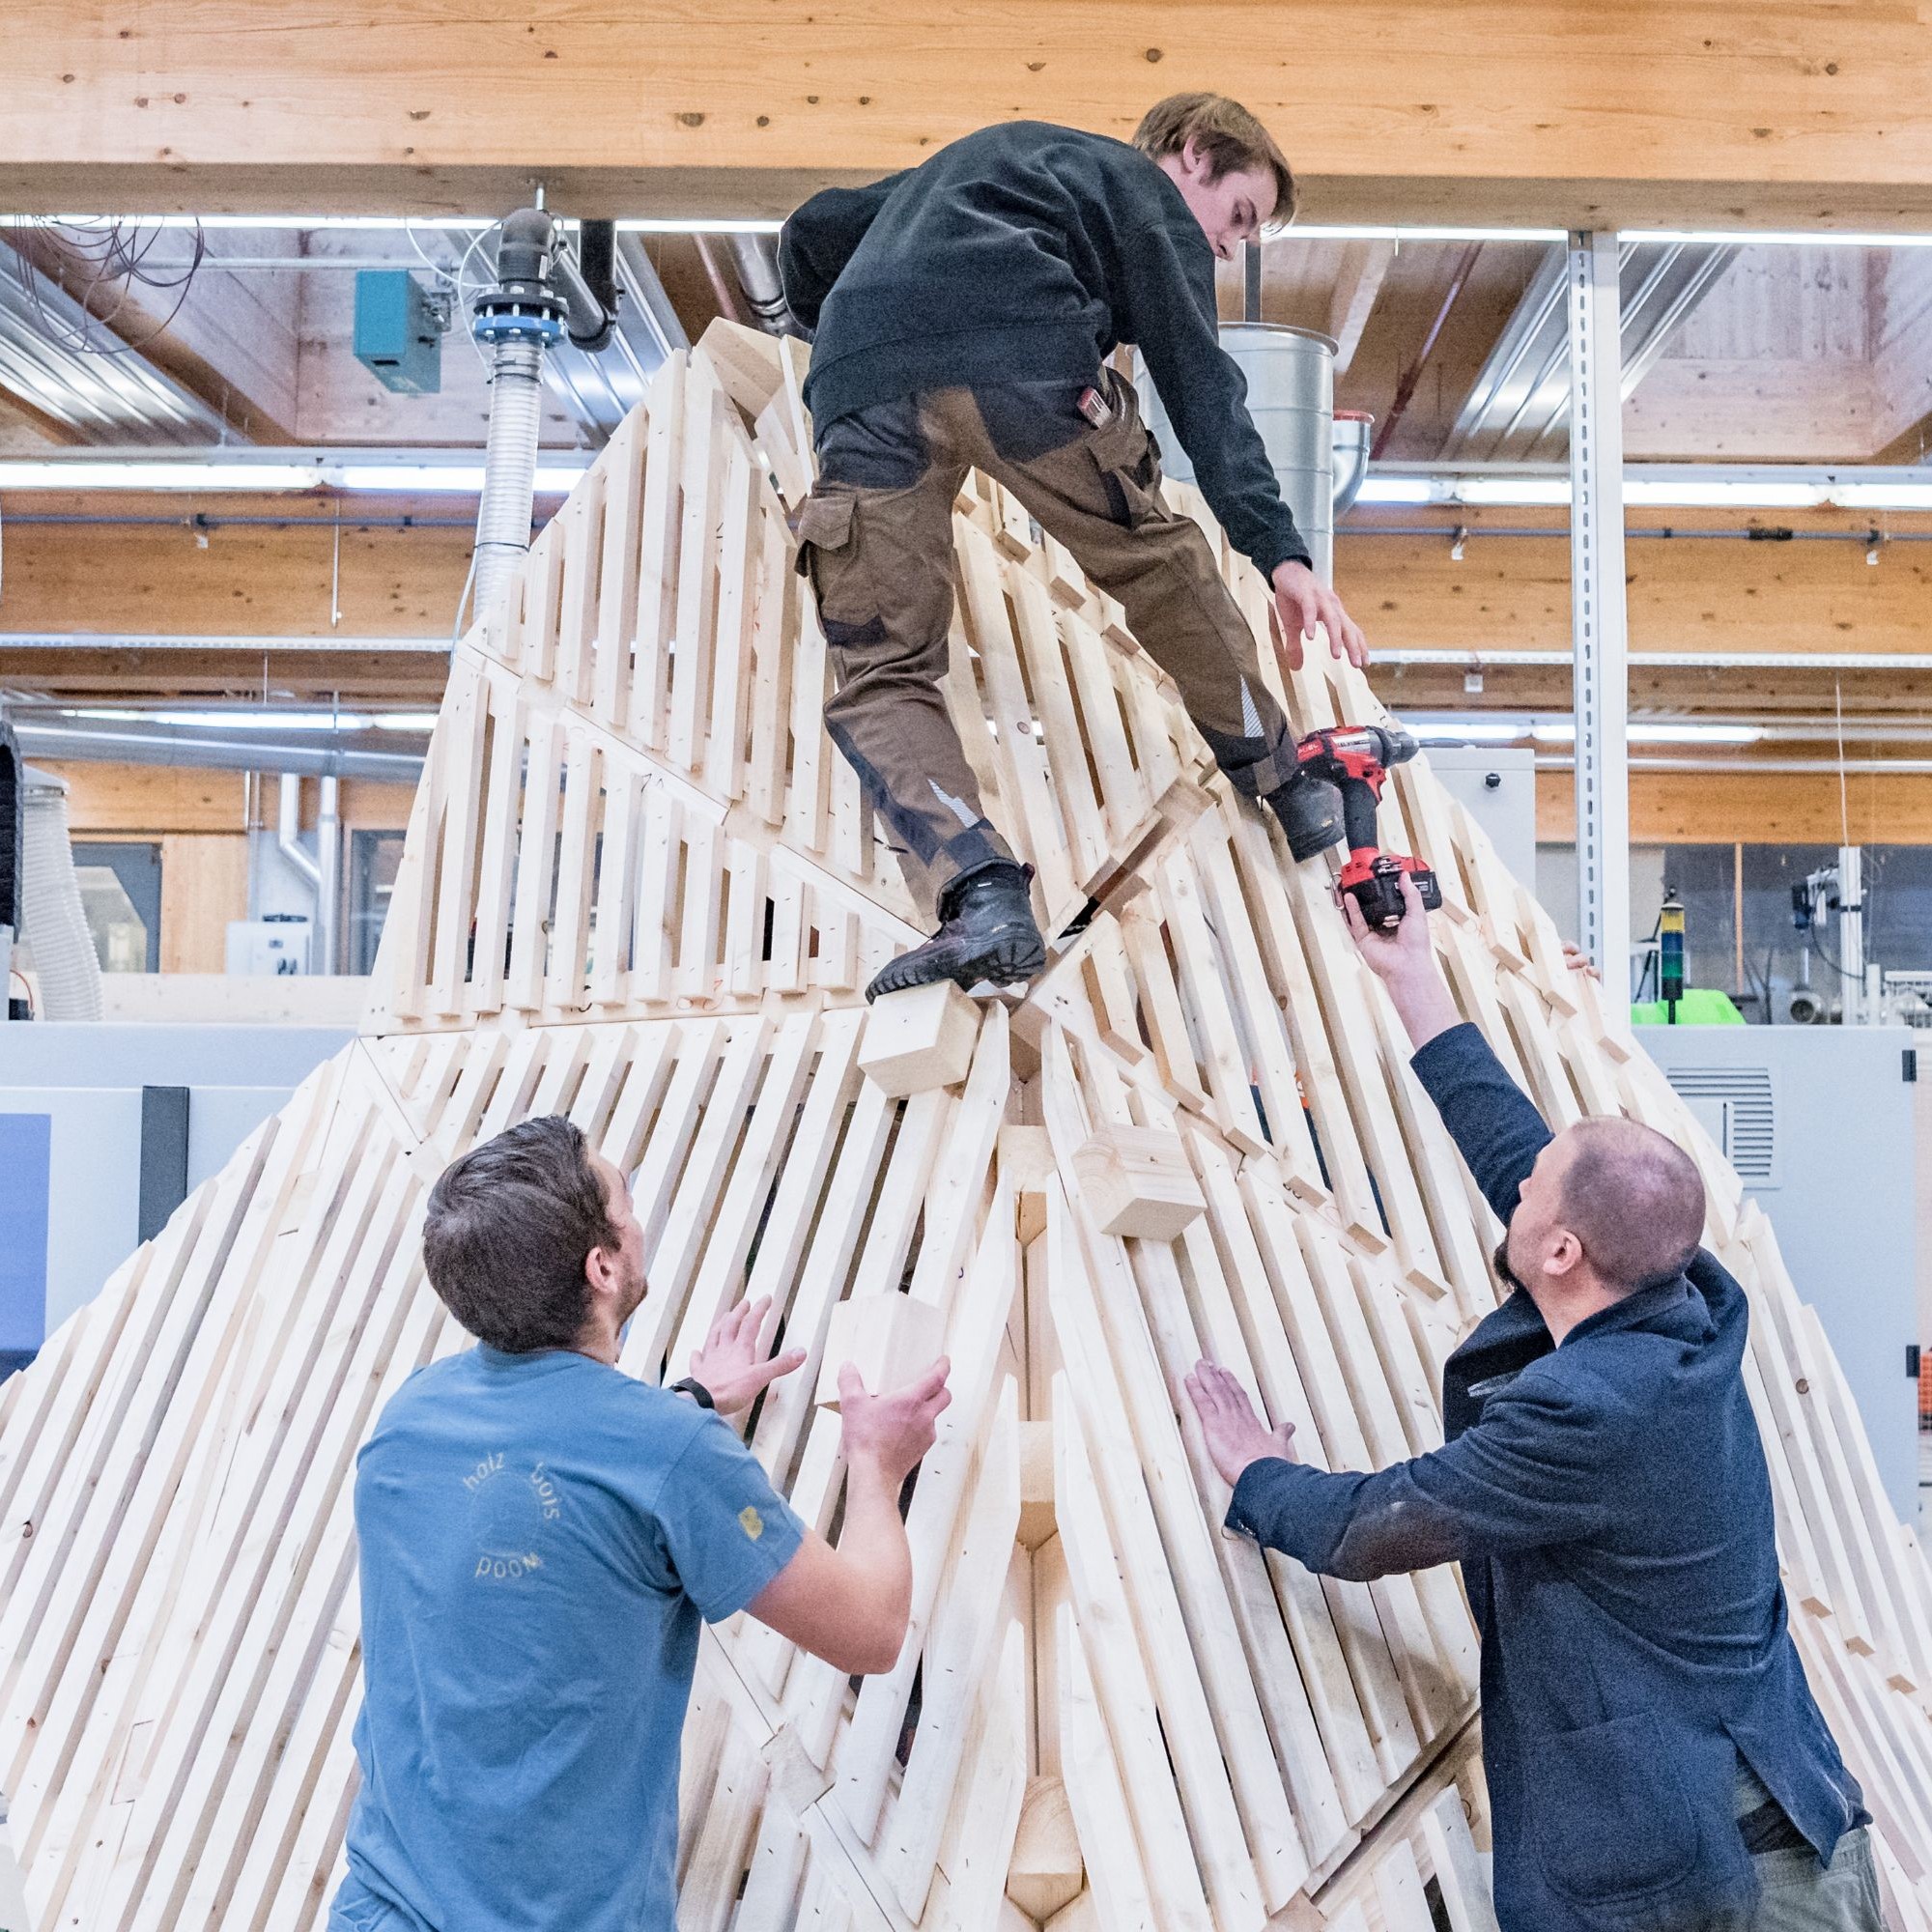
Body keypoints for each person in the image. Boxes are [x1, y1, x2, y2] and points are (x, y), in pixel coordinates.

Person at [1185, 876, 1880, 1932]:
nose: (1514, 1189)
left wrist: (1253, 1472)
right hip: (1772, 1798)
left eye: (1529, 1200)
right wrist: (1412, 978)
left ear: (1559, 1251)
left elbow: (1381, 1523)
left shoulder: (1590, 1410)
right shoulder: (1675, 1293)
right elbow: (1528, 1156)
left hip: (1722, 1862)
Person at [779, 93, 1369, 1002]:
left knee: (881, 668)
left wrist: (845, 332)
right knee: (1157, 564)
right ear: (1192, 151)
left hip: (859, 387)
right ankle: (1285, 779)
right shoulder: (1138, 189)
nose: (1227, 244)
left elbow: (814, 227)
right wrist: (1281, 554)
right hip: (1023, 358)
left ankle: (980, 897)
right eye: (1238, 215)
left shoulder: (979, 164)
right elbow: (1201, 385)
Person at [327, 1116, 951, 1932]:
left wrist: (687, 1403)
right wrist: (876, 1469)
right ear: (603, 1264)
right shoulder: (669, 1458)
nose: (637, 1212)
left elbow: (555, 1478)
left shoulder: (407, 1424)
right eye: (626, 1198)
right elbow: (870, 1632)